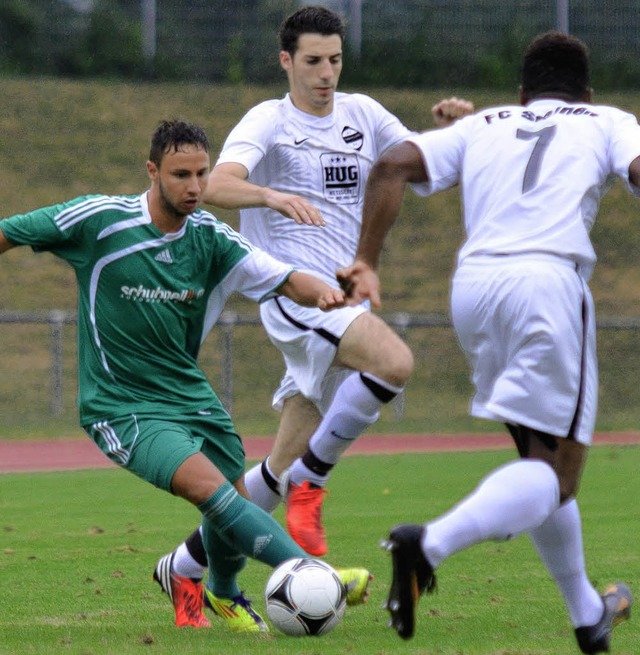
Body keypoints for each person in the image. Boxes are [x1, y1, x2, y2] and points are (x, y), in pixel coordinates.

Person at [152, 7, 473, 620]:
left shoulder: (364, 114)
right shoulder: (269, 120)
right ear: (286, 62)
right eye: (312, 62)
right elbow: (214, 186)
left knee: (275, 466)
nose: (325, 74)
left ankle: (185, 566)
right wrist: (270, 194)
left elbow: (426, 175)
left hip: (344, 299)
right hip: (298, 296)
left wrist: (462, 130)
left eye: (334, 60)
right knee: (393, 360)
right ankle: (314, 480)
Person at [0, 118, 371, 634]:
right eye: (180, 175)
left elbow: (284, 278)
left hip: (190, 397)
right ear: (152, 171)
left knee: (233, 501)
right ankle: (314, 575)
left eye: (201, 173)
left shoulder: (211, 240)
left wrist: (328, 293)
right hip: (121, 405)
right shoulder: (100, 220)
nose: (195, 187)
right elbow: (11, 230)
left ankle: (209, 588)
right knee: (210, 489)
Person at [337, 31, 637, 654]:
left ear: (523, 92)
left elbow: (392, 163)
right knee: (558, 480)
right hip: (547, 284)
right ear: (586, 91)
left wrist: (365, 260)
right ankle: (429, 546)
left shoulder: (488, 123)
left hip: (474, 290)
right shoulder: (609, 119)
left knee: (539, 459)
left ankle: (588, 615)